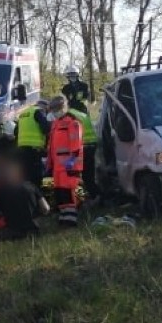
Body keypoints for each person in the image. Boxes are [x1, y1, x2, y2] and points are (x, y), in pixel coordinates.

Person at [46, 94, 84, 226]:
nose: (53, 113)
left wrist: (72, 160)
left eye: (55, 109)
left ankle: (71, 220)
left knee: (68, 192)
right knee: (59, 192)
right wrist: (49, 163)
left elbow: (76, 144)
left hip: (69, 166)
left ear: (63, 107)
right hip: (58, 166)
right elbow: (51, 146)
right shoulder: (56, 124)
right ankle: (64, 217)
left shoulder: (72, 123)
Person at [0, 161, 51, 241]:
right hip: (33, 229)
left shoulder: (1, 191)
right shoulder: (31, 186)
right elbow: (46, 208)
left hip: (13, 232)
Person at [13, 98, 51, 189]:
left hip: (22, 149)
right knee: (36, 176)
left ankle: (26, 195)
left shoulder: (23, 113)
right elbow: (45, 128)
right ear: (44, 107)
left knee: (25, 174)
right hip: (34, 149)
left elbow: (15, 131)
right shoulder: (39, 111)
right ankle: (35, 197)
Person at [66, 104, 99, 200]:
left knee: (75, 173)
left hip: (82, 147)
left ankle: (85, 197)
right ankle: (95, 196)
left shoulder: (70, 115)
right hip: (91, 146)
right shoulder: (83, 115)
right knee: (89, 175)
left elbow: (73, 134)